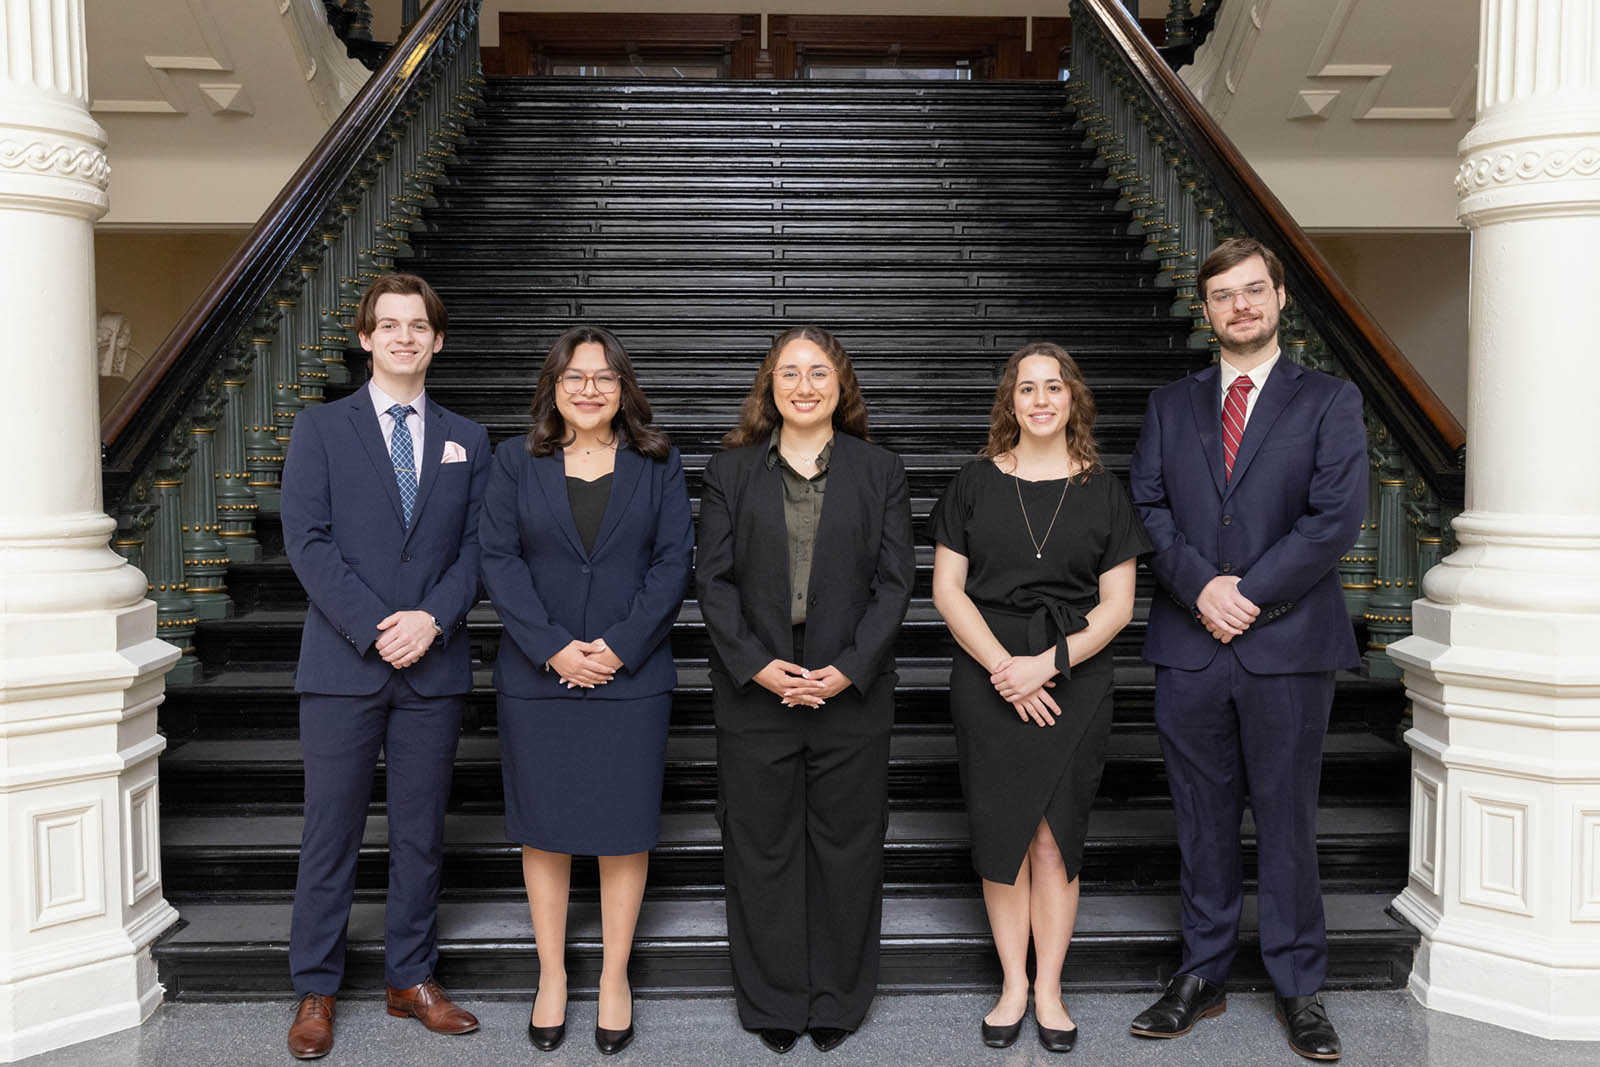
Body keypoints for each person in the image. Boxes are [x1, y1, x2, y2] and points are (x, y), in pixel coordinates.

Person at [1127, 237, 1367, 1062]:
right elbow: (1148, 507)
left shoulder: (1329, 400)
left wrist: (1248, 594)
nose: (1241, 305)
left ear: (1280, 297)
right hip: (1190, 645)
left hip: (1289, 644)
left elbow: (1334, 518)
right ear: (1207, 310)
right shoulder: (1170, 405)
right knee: (1201, 818)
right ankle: (1202, 972)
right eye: (1224, 294)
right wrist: (1202, 587)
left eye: (1253, 290)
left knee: (1288, 818)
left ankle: (1299, 985)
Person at [281, 273, 490, 1059]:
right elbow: (307, 540)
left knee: (420, 832)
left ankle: (411, 978)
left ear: (438, 340)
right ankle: (316, 986)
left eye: (419, 325)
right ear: (366, 337)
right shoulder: (320, 429)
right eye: (390, 324)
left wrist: (432, 618)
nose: (405, 337)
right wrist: (377, 627)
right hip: (342, 665)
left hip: (433, 665)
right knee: (330, 831)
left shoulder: (470, 438)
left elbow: (480, 547)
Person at [696, 325, 914, 1055]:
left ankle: (838, 999)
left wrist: (850, 667)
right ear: (769, 384)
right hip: (756, 685)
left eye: (818, 371)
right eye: (788, 372)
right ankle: (773, 1000)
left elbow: (895, 584)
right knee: (760, 846)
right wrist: (756, 664)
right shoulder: (730, 471)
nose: (804, 385)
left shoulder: (880, 470)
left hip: (849, 685)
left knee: (848, 846)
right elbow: (712, 582)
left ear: (840, 382)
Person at [478, 326, 693, 1056]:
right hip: (537, 677)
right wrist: (553, 648)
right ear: (554, 388)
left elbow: (672, 564)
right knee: (544, 829)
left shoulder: (659, 463)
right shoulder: (514, 461)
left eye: (604, 377)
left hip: (632, 678)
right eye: (574, 377)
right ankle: (551, 976)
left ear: (624, 388)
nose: (589, 389)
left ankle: (614, 978)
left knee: (623, 829)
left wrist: (620, 647)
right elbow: (498, 559)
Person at [929, 342, 1148, 1054]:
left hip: (1074, 675)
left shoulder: (1104, 490)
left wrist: (1047, 665)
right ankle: (1013, 986)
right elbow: (947, 591)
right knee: (1005, 836)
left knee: (1054, 838)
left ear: (1072, 398)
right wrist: (1005, 668)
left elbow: (1118, 606)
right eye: (1028, 388)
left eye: (1054, 386)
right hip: (987, 672)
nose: (1042, 399)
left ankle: (1049, 987)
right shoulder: (973, 482)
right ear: (1011, 402)